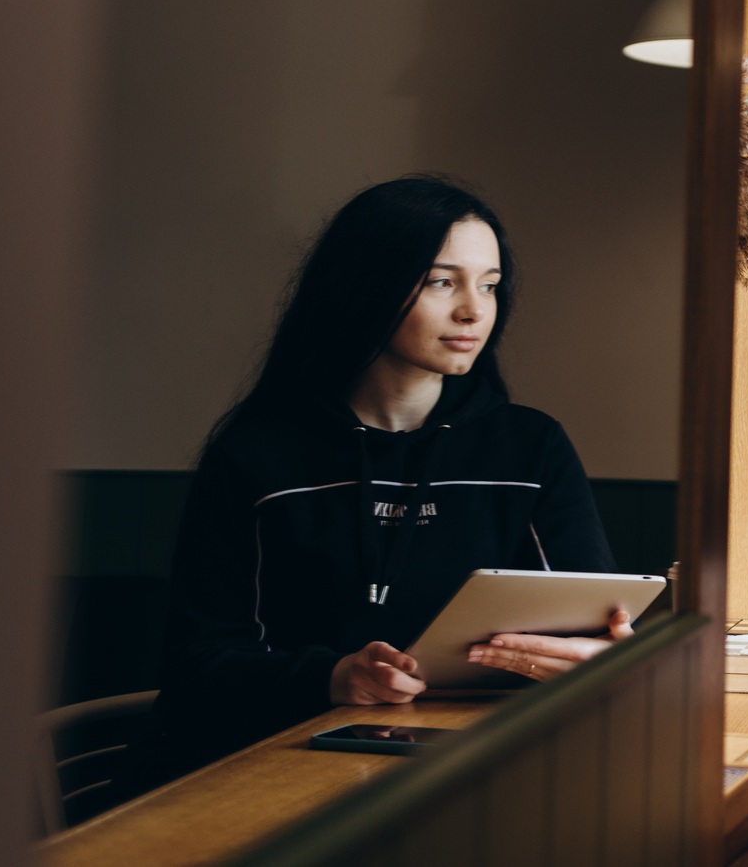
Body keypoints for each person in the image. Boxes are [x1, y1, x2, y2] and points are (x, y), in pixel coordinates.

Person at [128, 176, 630, 787]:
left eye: (490, 285)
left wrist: (602, 657)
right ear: (365, 287)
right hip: (271, 772)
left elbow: (588, 622)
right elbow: (198, 662)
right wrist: (334, 676)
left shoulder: (529, 447)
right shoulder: (258, 456)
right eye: (441, 282)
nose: (474, 310)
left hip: (467, 769)